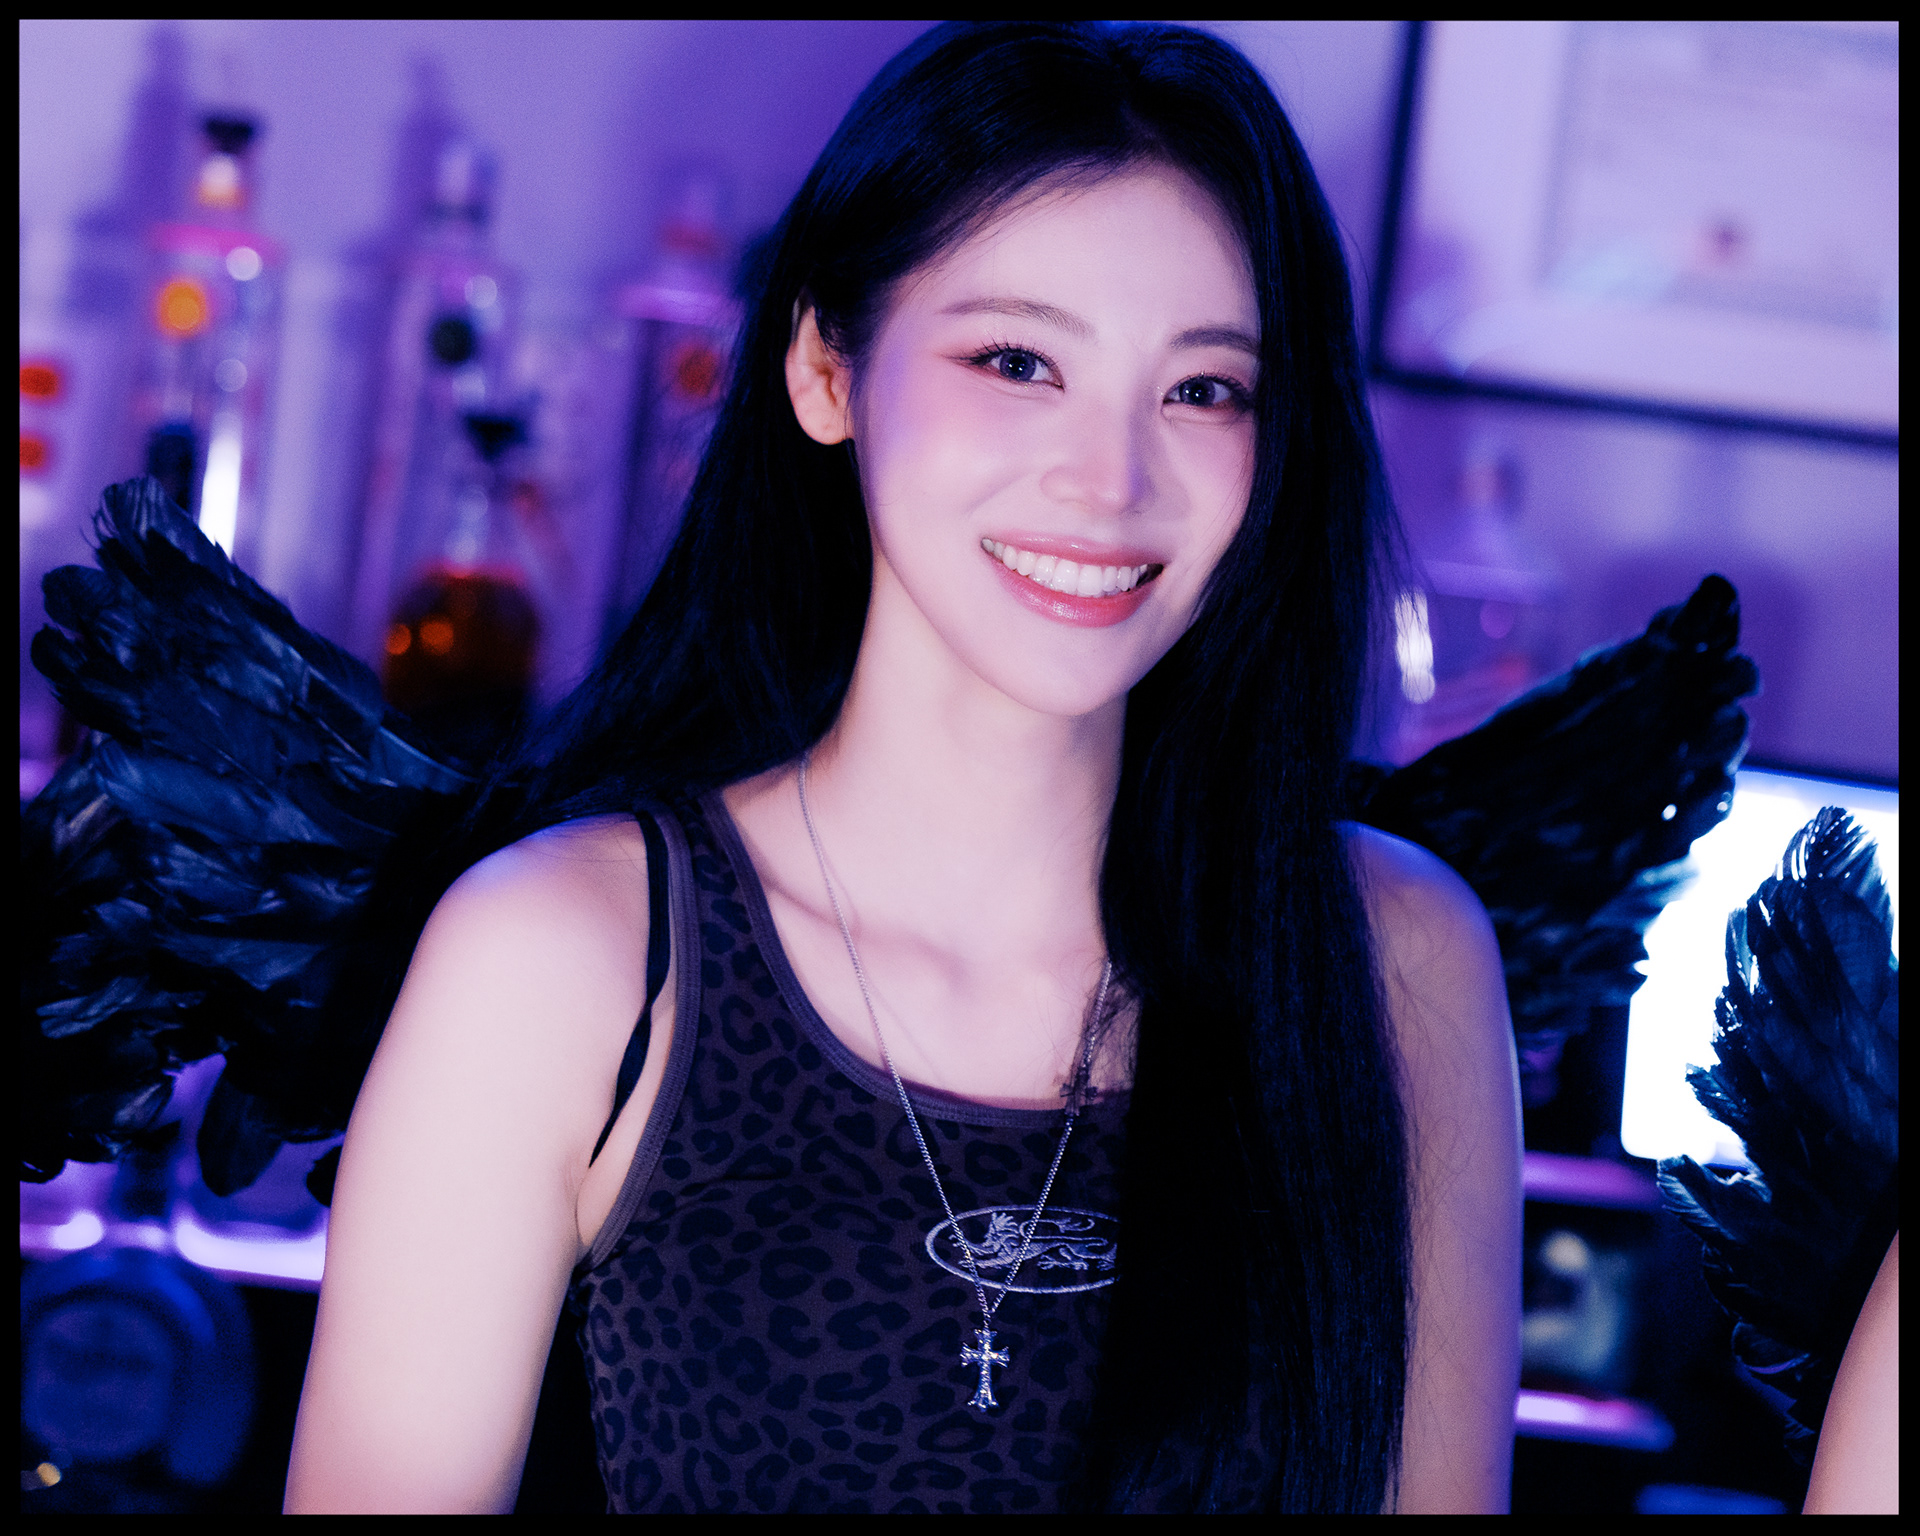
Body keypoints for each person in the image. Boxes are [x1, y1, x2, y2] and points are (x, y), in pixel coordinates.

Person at [283, 21, 1520, 1514]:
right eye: (1018, 362)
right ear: (825, 367)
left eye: (1205, 390)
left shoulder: (1393, 960)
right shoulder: (566, 958)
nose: (1111, 479)